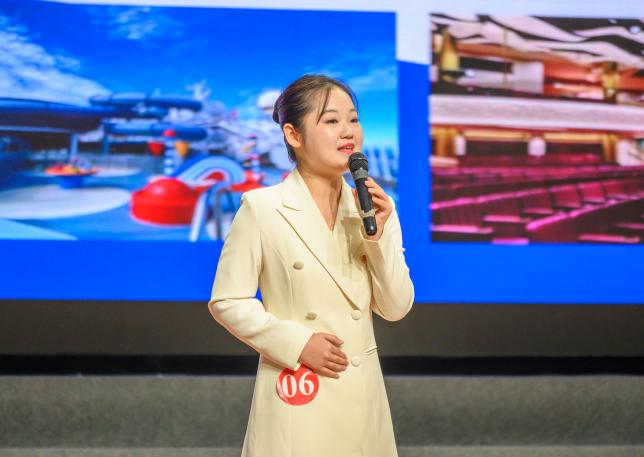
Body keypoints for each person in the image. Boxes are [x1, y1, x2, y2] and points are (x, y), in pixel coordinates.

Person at [208, 74, 414, 457]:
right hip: (299, 385)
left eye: (353, 119)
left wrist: (379, 238)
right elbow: (227, 301)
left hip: (361, 395)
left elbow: (396, 307)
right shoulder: (263, 208)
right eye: (331, 120)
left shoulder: (375, 209)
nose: (348, 131)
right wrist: (297, 343)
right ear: (294, 135)